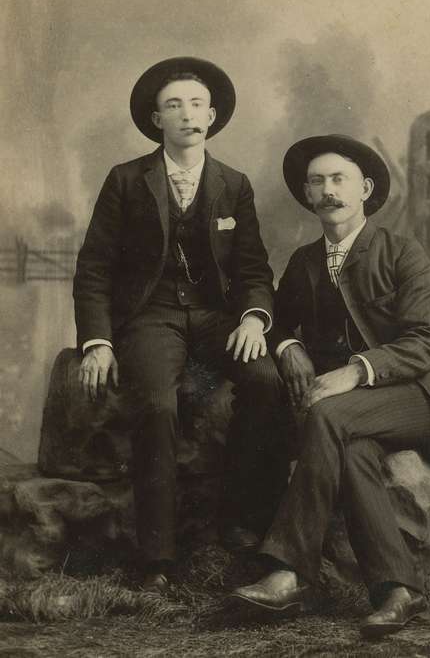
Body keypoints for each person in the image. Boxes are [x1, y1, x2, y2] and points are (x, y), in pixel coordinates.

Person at [73, 57, 289, 593]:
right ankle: (157, 558)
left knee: (265, 382)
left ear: (212, 116)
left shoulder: (233, 183)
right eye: (174, 105)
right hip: (152, 316)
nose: (187, 114)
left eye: (196, 104)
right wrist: (97, 342)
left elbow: (253, 268)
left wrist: (255, 319)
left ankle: (242, 521)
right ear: (156, 119)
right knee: (157, 404)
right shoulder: (126, 180)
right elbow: (94, 267)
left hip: (217, 318)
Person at [230, 134, 430, 638]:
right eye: (317, 182)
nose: (327, 190)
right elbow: (279, 322)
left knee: (327, 414)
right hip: (356, 414)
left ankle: (288, 570)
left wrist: (355, 371)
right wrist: (288, 346)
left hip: (415, 399)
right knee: (353, 454)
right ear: (308, 195)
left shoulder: (402, 252)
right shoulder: (304, 262)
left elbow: (427, 343)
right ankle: (398, 589)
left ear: (365, 189)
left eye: (339, 179)